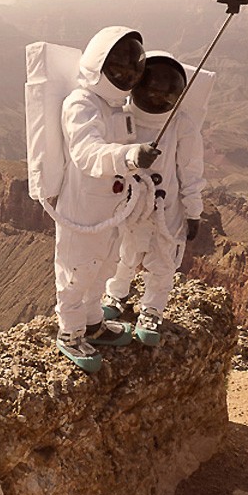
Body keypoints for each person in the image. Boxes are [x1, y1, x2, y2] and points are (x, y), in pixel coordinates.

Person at [52, 27, 160, 372]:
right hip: (83, 208)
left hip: (112, 206)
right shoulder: (80, 103)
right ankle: (70, 333)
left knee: (104, 264)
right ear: (98, 64)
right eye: (119, 67)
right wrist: (128, 156)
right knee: (77, 270)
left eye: (132, 67)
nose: (127, 74)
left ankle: (92, 322)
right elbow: (86, 152)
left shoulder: (116, 106)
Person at [101, 50, 205, 346]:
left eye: (167, 91)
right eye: (154, 88)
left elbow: (190, 170)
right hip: (129, 203)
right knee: (124, 251)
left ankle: (152, 310)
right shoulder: (123, 116)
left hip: (165, 207)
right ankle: (116, 294)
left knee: (163, 259)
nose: (159, 96)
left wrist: (193, 211)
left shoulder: (181, 124)